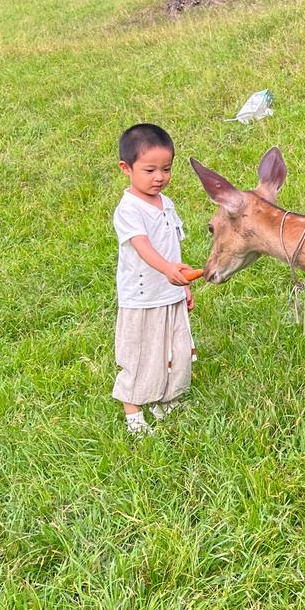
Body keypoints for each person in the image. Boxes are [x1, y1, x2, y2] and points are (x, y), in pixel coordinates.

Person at [112, 123, 197, 435]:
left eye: (166, 169)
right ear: (127, 168)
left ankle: (168, 399)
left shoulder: (166, 203)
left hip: (170, 291)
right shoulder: (129, 209)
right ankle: (134, 414)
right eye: (149, 170)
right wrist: (166, 270)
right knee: (141, 353)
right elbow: (143, 247)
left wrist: (183, 282)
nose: (159, 177)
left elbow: (173, 247)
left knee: (176, 349)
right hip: (143, 297)